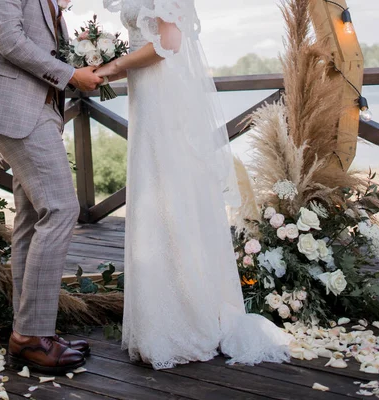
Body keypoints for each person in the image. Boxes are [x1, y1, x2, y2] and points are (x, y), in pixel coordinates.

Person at [97, 0, 292, 369]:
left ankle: (186, 318)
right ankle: (158, 318)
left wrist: (113, 66)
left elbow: (169, 43)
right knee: (152, 194)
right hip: (145, 95)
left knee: (172, 193)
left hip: (164, 95)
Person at [0, 0, 103, 374]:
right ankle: (31, 337)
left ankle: (29, 332)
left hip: (40, 107)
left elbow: (41, 39)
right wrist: (72, 75)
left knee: (31, 217)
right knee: (61, 208)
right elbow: (9, 40)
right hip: (14, 106)